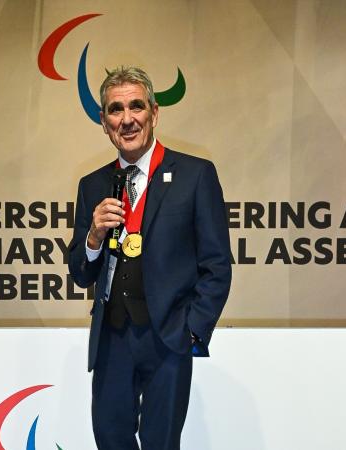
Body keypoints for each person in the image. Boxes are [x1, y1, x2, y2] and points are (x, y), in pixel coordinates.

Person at [68, 66, 232, 450]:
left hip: (168, 337)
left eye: (136, 107)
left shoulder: (195, 175)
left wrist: (191, 330)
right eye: (115, 110)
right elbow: (79, 272)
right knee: (110, 438)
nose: (127, 119)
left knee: (161, 443)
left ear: (154, 113)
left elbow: (217, 264)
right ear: (104, 123)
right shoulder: (92, 184)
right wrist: (93, 236)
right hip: (111, 338)